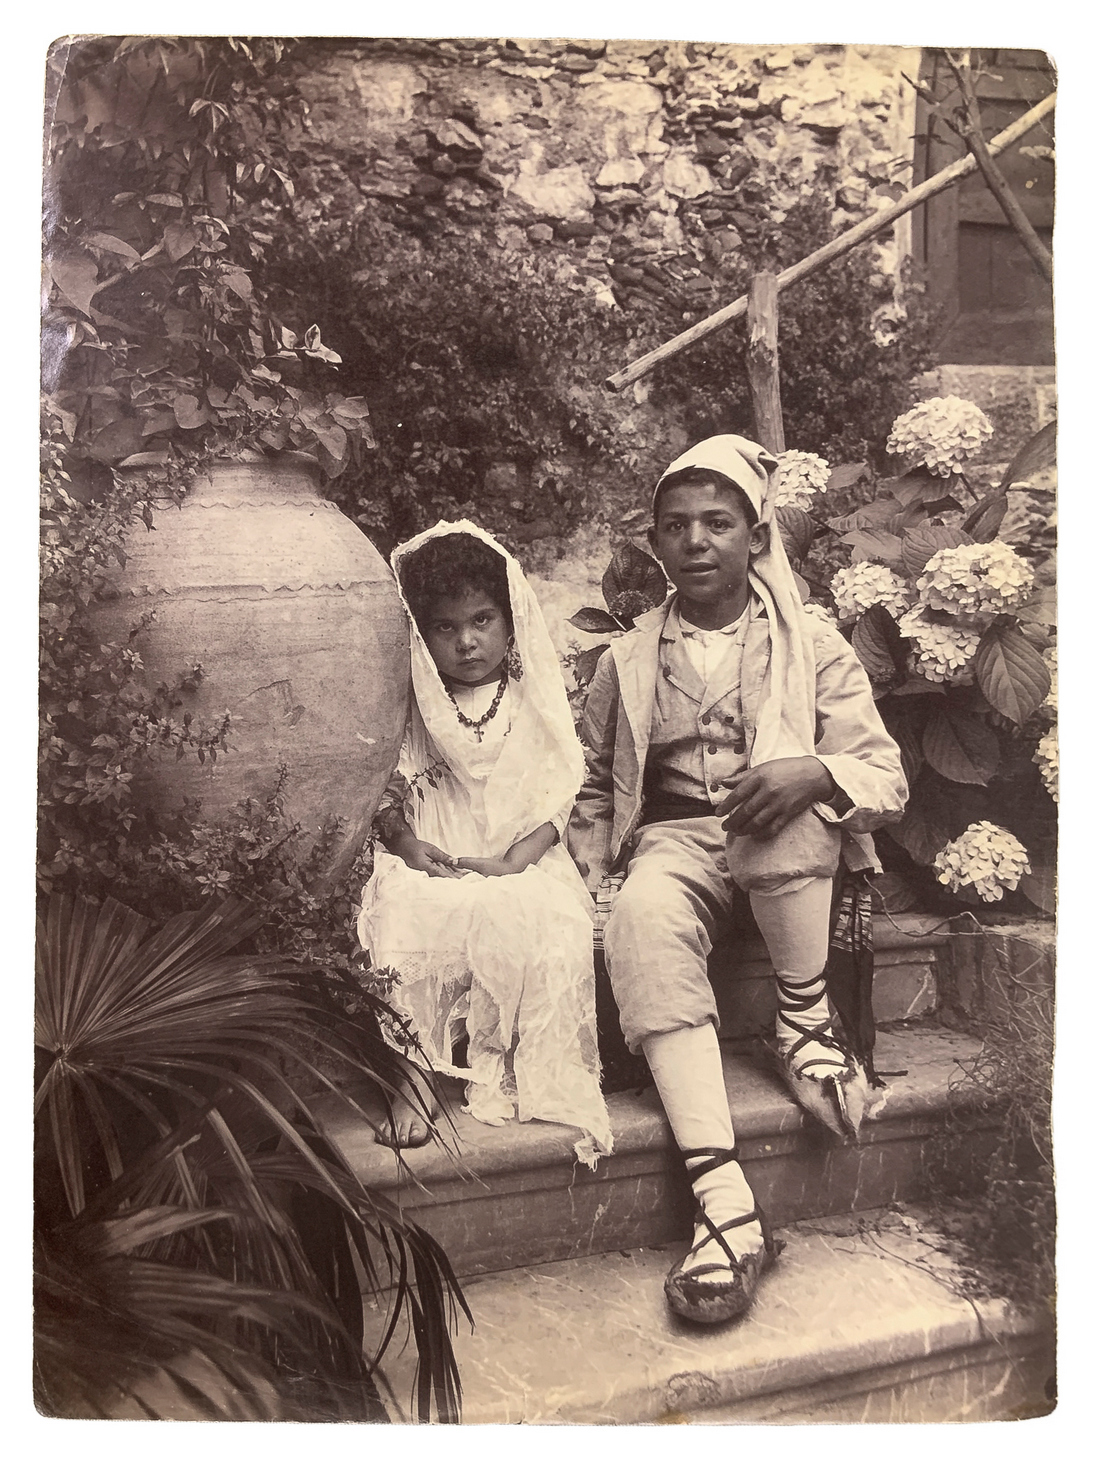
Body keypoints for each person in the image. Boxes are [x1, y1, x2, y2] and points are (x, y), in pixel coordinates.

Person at [567, 435, 907, 1323]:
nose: (696, 541)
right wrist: (587, 871)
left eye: (719, 522)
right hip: (675, 838)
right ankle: (724, 1200)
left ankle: (803, 1018)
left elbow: (884, 775)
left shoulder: (812, 644)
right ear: (656, 543)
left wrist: (816, 772)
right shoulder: (630, 658)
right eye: (675, 525)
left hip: (782, 849)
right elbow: (598, 784)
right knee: (641, 910)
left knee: (782, 793)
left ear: (757, 537)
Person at [357, 521, 612, 1169]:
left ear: (508, 619)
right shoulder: (414, 700)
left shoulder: (527, 697)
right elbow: (388, 784)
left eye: (481, 620)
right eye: (445, 627)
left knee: (539, 910)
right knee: (406, 904)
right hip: (434, 849)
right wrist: (407, 841)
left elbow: (561, 788)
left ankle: (519, 1061)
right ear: (422, 633)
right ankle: (416, 1078)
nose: (467, 641)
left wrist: (512, 861)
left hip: (517, 850)